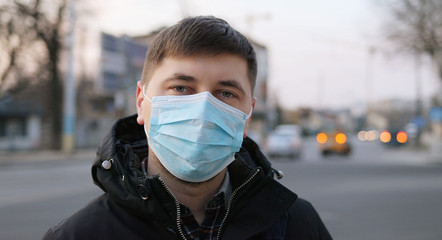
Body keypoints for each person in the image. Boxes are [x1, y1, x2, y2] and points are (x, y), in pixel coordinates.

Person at [43, 16, 332, 240]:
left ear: (248, 114)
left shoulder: (296, 225)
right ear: (142, 102)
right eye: (181, 88)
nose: (202, 111)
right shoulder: (80, 235)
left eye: (226, 93)